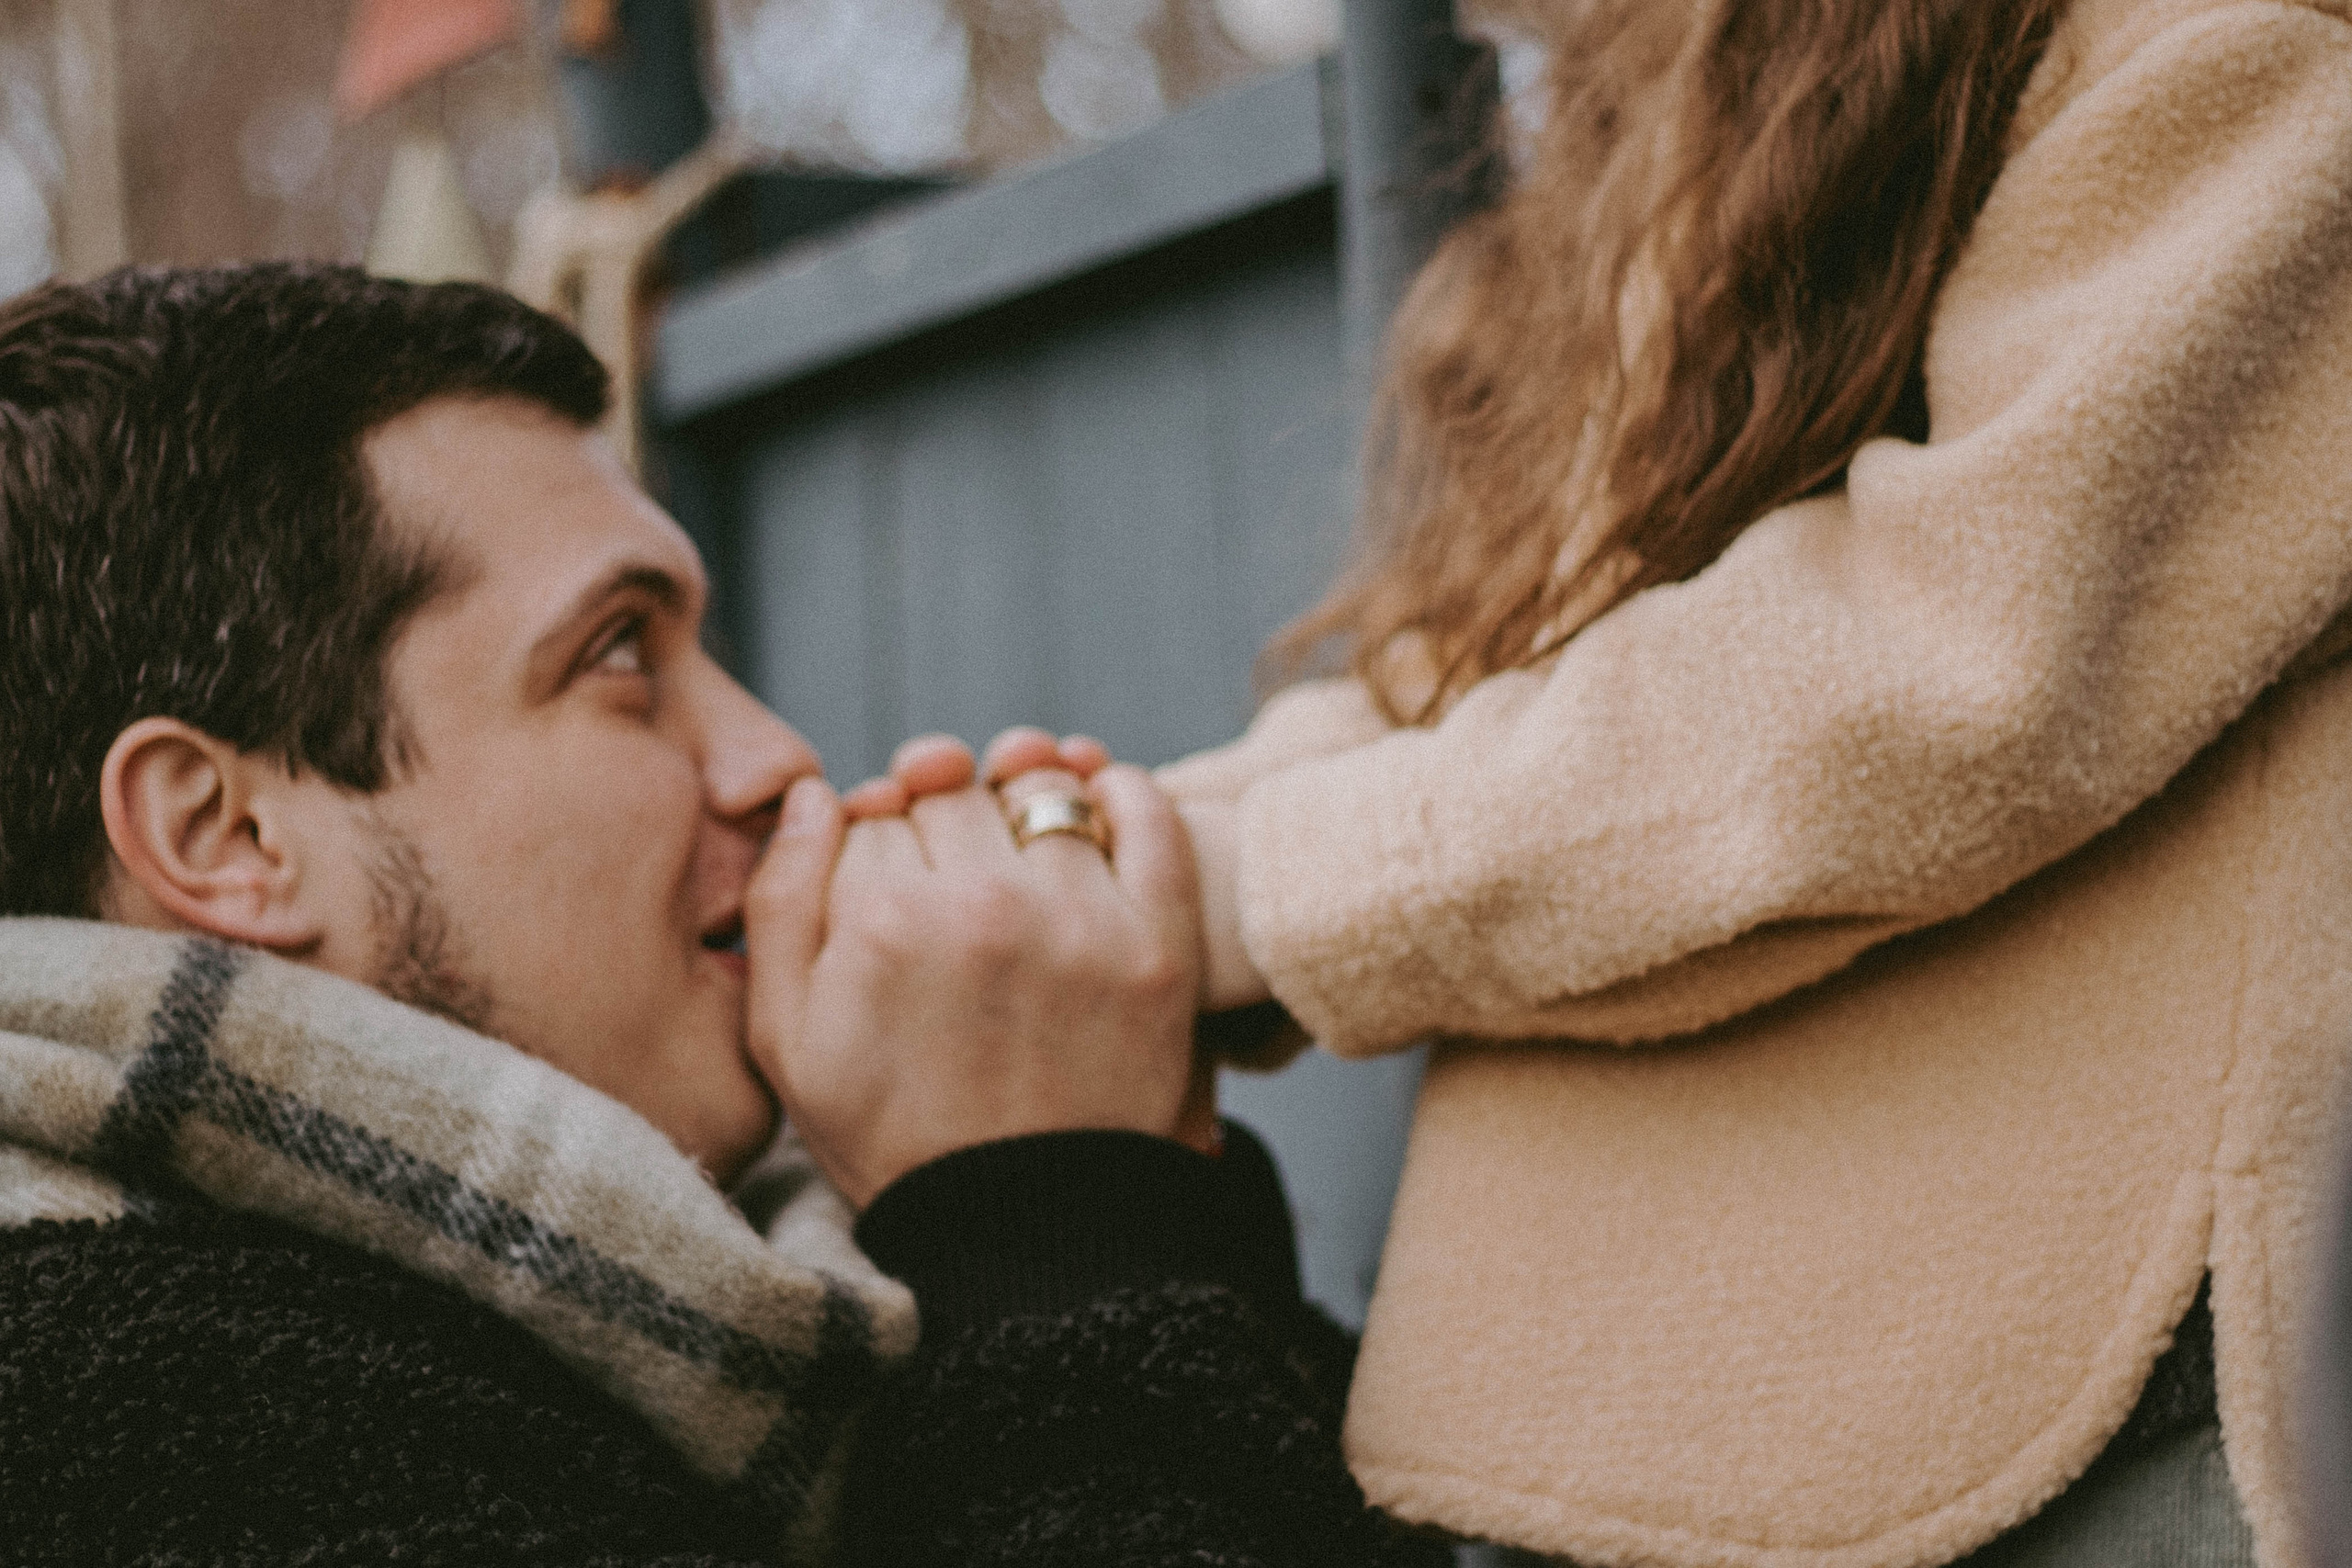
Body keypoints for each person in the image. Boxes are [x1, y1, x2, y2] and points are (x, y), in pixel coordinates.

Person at [899, 1, 2352, 1563]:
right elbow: (1500, 674)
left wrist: (1249, 884)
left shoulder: (2240, 53)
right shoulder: (1674, 110)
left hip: (1995, 1444)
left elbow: (1942, 668)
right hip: (1673, 1417)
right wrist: (1121, 855)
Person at [0, 263, 1444, 1568]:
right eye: (617, 654)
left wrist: (1117, 1185)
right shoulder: (110, 1414)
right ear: (226, 835)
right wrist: (1054, 1225)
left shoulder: (665, 1314)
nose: (774, 758)